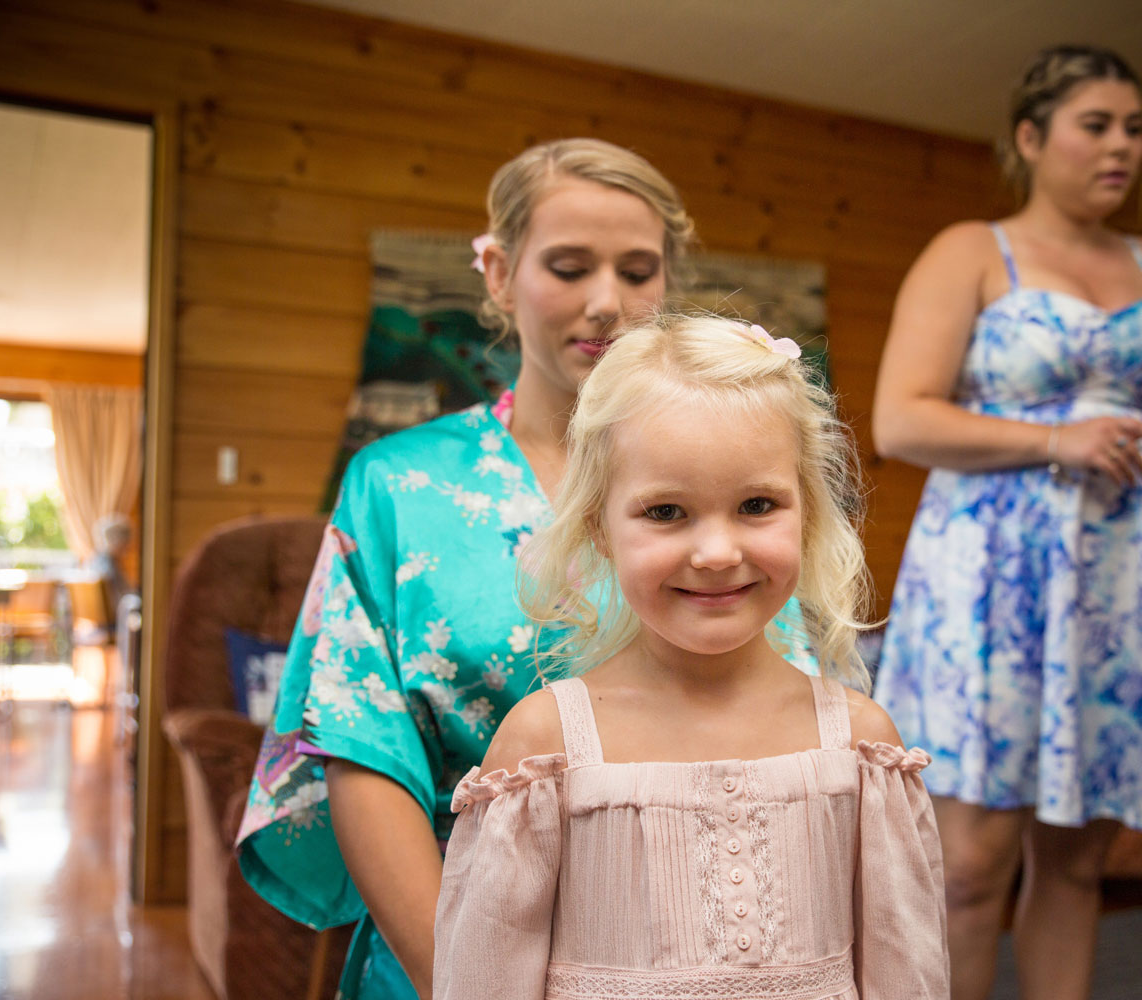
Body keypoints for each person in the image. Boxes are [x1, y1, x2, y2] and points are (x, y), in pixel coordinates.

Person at [235, 139, 816, 1000]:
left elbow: (791, 708)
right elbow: (359, 748)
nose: (606, 302)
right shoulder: (400, 486)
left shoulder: (725, 487)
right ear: (501, 274)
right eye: (570, 267)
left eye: (637, 270)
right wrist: (465, 978)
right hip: (454, 938)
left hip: (707, 942)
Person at [870, 46, 1142, 1000]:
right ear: (1029, 138)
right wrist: (1059, 441)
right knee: (970, 869)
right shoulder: (970, 250)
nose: (1123, 146)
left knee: (1079, 861)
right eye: (1096, 125)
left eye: (1135, 128)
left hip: (1130, 577)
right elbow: (902, 418)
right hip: (992, 578)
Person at [432, 314, 951, 999]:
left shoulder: (861, 748)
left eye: (757, 504)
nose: (716, 553)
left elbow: (906, 976)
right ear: (601, 525)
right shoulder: (543, 751)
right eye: (667, 512)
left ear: (810, 513)